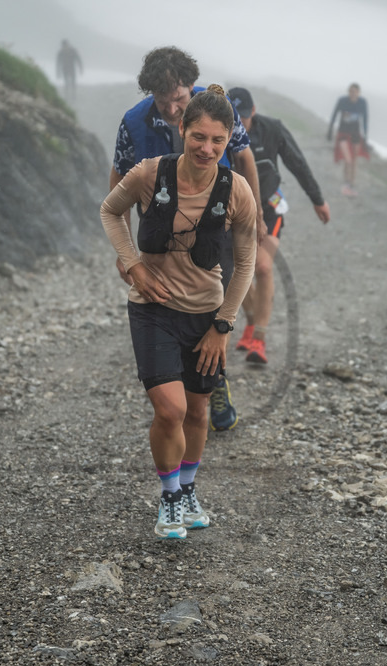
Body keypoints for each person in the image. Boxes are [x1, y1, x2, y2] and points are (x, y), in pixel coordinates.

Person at [101, 84, 257, 539]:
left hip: (206, 315)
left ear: (228, 141)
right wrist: (132, 264)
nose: (207, 149)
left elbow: (245, 263)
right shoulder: (151, 174)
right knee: (170, 409)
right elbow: (111, 212)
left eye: (217, 141)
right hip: (152, 310)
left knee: (198, 412)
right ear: (183, 130)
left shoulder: (236, 190)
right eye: (198, 137)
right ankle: (169, 499)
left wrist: (223, 327)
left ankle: (188, 491)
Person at [110, 46, 264, 432]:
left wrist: (256, 214)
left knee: (215, 302)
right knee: (163, 306)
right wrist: (125, 252)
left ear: (189, 87)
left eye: (178, 98)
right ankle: (174, 387)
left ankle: (213, 383)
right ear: (151, 95)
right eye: (163, 101)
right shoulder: (134, 122)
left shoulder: (215, 108)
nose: (172, 109)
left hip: (218, 224)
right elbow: (119, 176)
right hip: (160, 230)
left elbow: (245, 158)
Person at [228, 87, 331, 364]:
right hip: (234, 212)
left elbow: (297, 162)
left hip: (270, 208)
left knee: (262, 267)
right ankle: (250, 322)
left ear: (254, 111)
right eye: (236, 118)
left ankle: (259, 340)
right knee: (234, 273)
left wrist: (317, 199)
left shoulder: (272, 129)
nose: (242, 123)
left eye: (246, 117)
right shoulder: (218, 133)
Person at [327, 83, 370, 197]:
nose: (353, 94)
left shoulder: (362, 103)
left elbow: (365, 120)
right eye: (351, 91)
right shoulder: (342, 101)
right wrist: (330, 130)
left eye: (355, 92)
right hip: (343, 134)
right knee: (348, 160)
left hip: (356, 134)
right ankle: (346, 183)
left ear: (359, 93)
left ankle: (351, 184)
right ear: (348, 92)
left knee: (354, 161)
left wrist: (365, 136)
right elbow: (334, 115)